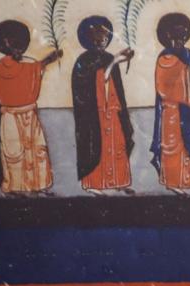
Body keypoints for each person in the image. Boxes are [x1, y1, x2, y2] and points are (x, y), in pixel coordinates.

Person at [0, 20, 60, 195]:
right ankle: (16, 188)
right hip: (11, 116)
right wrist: (46, 61)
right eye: (12, 42)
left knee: (37, 150)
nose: (17, 46)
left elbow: (35, 69)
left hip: (30, 113)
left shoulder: (29, 64)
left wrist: (47, 61)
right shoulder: (3, 65)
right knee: (15, 153)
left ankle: (39, 185)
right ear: (5, 43)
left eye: (19, 42)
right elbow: (22, 75)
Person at [151, 13, 190, 193]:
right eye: (178, 34)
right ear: (168, 35)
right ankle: (173, 183)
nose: (181, 38)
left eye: (184, 34)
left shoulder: (189, 54)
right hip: (172, 113)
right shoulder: (165, 58)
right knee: (175, 147)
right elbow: (168, 88)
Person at [71, 16, 135, 194]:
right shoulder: (83, 61)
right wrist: (114, 61)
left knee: (117, 145)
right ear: (90, 40)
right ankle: (94, 184)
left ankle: (118, 181)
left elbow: (115, 87)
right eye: (98, 39)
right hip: (94, 114)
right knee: (97, 147)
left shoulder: (108, 57)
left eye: (105, 39)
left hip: (112, 111)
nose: (101, 43)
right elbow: (92, 84)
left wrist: (114, 61)